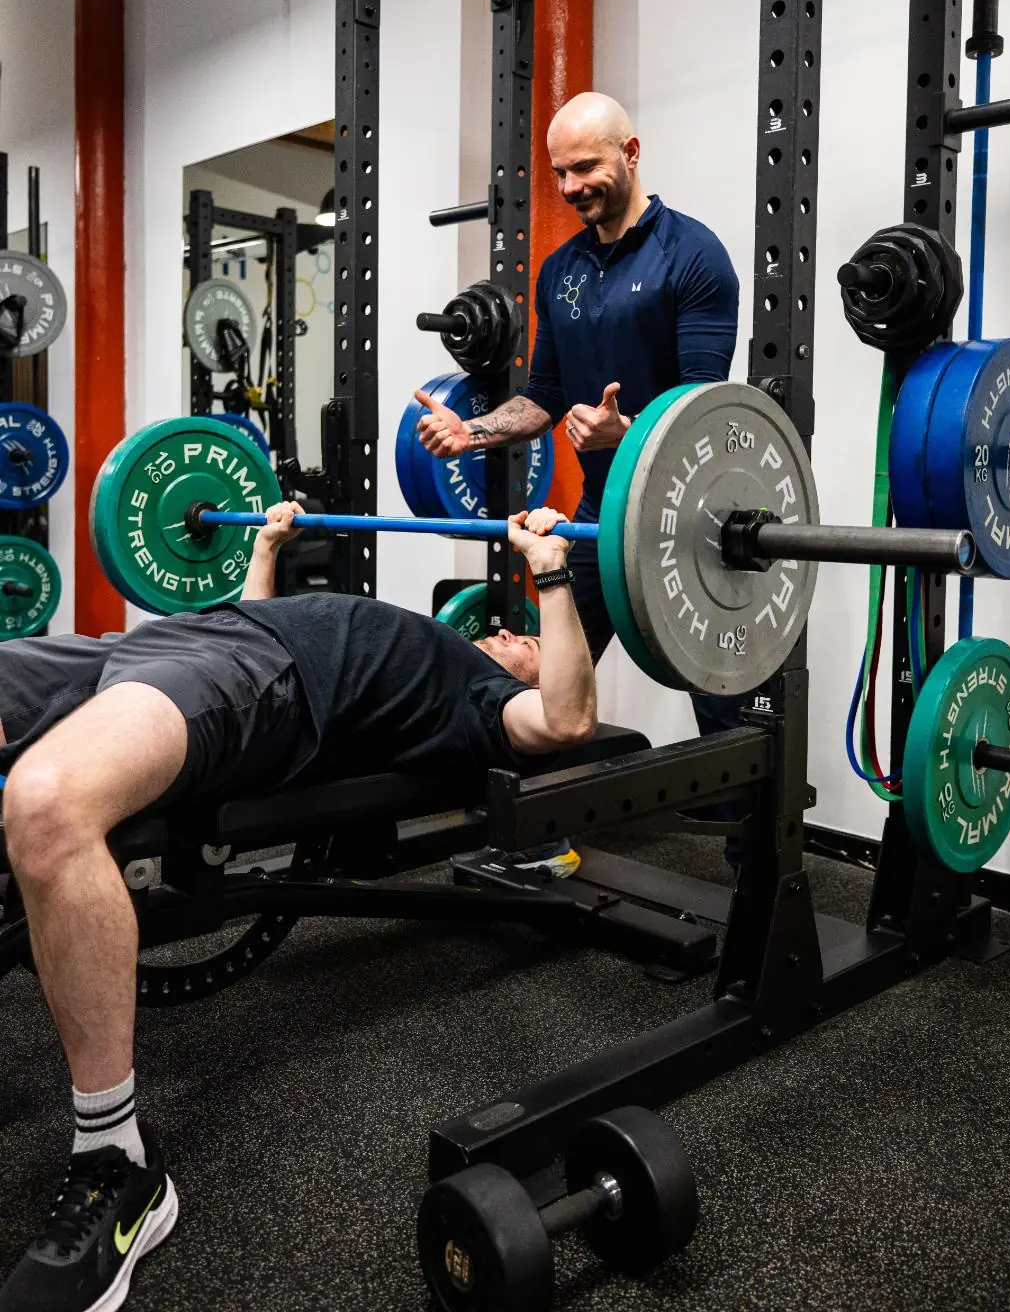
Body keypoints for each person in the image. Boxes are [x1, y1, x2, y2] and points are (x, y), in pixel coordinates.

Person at [0, 503, 593, 1312]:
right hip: (185, 638)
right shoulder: (425, 638)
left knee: (46, 805)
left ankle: (117, 1159)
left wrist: (549, 572)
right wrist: (266, 548)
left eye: (526, 639)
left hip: (251, 679)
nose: (504, 631)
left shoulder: (475, 695)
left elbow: (567, 719)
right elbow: (265, 623)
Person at [416, 91, 742, 874]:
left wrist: (627, 435)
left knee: (722, 705)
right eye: (560, 172)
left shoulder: (694, 257)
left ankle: (755, 867)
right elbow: (544, 394)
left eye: (585, 167)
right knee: (547, 672)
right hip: (600, 516)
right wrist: (472, 432)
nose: (570, 187)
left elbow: (703, 407)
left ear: (630, 153)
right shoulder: (559, 270)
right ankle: (533, 840)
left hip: (687, 517)